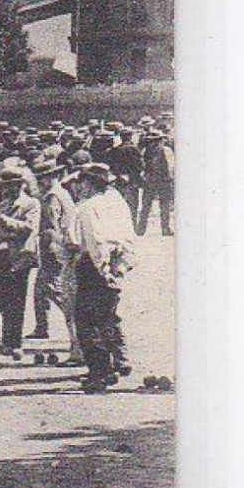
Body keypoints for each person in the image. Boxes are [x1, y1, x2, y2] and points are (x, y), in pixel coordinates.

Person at [69, 163, 137, 392]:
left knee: (87, 321)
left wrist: (103, 269)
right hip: (118, 260)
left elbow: (96, 241)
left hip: (94, 266)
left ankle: (99, 372)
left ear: (88, 183)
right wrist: (123, 265)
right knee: (107, 314)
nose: (79, 187)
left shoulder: (88, 207)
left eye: (81, 182)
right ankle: (117, 360)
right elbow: (129, 234)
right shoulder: (117, 202)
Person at [0, 166, 40, 358]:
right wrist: (7, 233)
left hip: (19, 258)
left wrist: (6, 222)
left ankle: (14, 342)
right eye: (4, 186)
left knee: (16, 300)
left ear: (19, 185)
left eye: (11, 186)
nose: (7, 190)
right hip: (0, 256)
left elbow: (28, 229)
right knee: (2, 299)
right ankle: (6, 339)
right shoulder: (1, 205)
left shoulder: (31, 204)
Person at [31, 158, 82, 363]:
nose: (40, 181)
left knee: (61, 296)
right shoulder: (62, 193)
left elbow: (51, 228)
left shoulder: (53, 197)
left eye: (42, 178)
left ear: (49, 178)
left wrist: (46, 251)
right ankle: (43, 328)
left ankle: (77, 340)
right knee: (42, 291)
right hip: (60, 248)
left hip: (55, 250)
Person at [136, 129, 174, 236]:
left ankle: (141, 229)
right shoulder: (166, 150)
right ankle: (165, 228)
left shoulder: (145, 151)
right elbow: (171, 166)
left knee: (146, 205)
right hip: (164, 180)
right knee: (164, 205)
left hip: (150, 180)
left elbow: (142, 166)